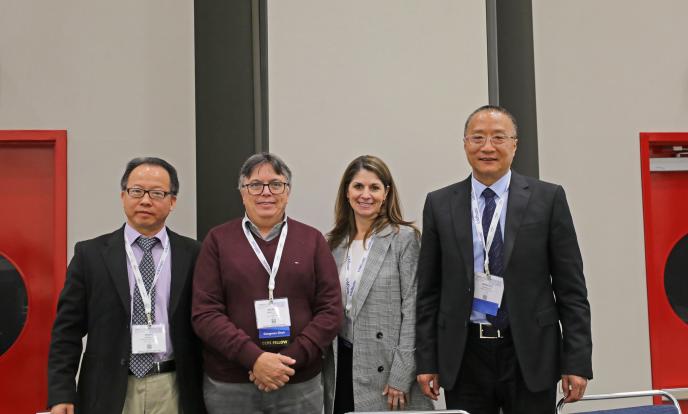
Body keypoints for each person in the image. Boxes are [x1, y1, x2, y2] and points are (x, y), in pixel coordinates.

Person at [415, 105, 593, 413]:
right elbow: (428, 293)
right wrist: (427, 360)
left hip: (530, 351)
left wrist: (576, 361)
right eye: (477, 137)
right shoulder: (439, 204)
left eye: (498, 137)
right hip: (464, 353)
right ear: (465, 144)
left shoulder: (547, 199)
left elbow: (571, 290)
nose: (487, 147)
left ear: (514, 144)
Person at [47, 157, 205, 414]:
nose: (145, 200)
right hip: (108, 389)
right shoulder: (90, 255)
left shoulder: (195, 254)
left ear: (172, 201)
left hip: (173, 387)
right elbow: (67, 331)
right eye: (137, 191)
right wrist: (61, 392)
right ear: (123, 196)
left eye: (157, 193)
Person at [192, 152, 343, 414]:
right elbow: (205, 314)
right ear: (242, 192)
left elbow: (331, 310)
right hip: (231, 385)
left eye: (276, 184)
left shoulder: (313, 240)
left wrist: (287, 361)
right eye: (255, 185)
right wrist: (255, 359)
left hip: (298, 382)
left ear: (288, 191)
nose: (266, 192)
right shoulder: (217, 240)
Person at [323, 155, 434, 413]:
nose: (366, 195)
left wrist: (402, 374)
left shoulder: (403, 239)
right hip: (343, 363)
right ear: (347, 192)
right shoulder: (333, 243)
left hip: (388, 368)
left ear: (386, 193)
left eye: (374, 187)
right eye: (358, 186)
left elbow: (414, 310)